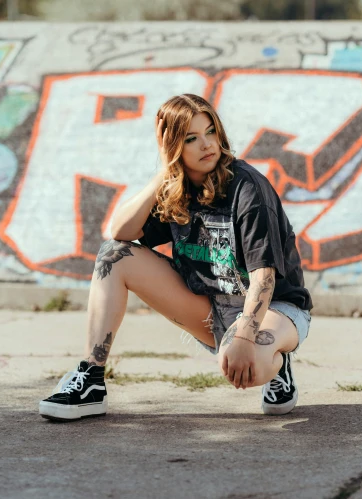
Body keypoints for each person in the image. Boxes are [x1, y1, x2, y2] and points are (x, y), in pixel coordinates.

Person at [39, 94, 313, 421]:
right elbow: (121, 232)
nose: (207, 145)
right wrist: (165, 172)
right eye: (190, 138)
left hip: (275, 308)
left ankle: (277, 362)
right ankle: (91, 379)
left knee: (246, 365)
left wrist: (244, 336)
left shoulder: (247, 187)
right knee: (114, 256)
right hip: (210, 307)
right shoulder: (177, 190)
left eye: (210, 132)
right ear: (173, 146)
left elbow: (264, 277)